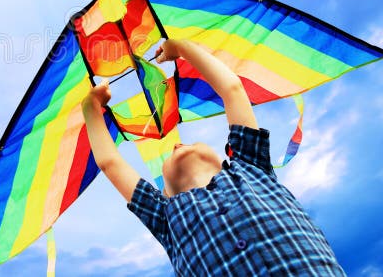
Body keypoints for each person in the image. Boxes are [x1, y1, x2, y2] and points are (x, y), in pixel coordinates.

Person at [81, 39, 345, 276]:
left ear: (225, 158)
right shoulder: (165, 216)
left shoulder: (249, 166)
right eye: (173, 152)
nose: (178, 144)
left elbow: (232, 89)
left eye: (188, 142)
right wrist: (90, 107)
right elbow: (109, 163)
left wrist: (182, 48)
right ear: (165, 192)